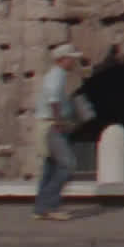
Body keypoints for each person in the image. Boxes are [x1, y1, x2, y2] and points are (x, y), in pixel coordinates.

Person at [33, 43, 88, 221]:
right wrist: (58, 121)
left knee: (51, 167)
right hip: (52, 126)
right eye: (72, 58)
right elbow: (53, 99)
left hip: (49, 124)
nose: (74, 62)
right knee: (67, 164)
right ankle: (50, 206)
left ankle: (41, 208)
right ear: (63, 59)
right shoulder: (56, 76)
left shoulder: (57, 75)